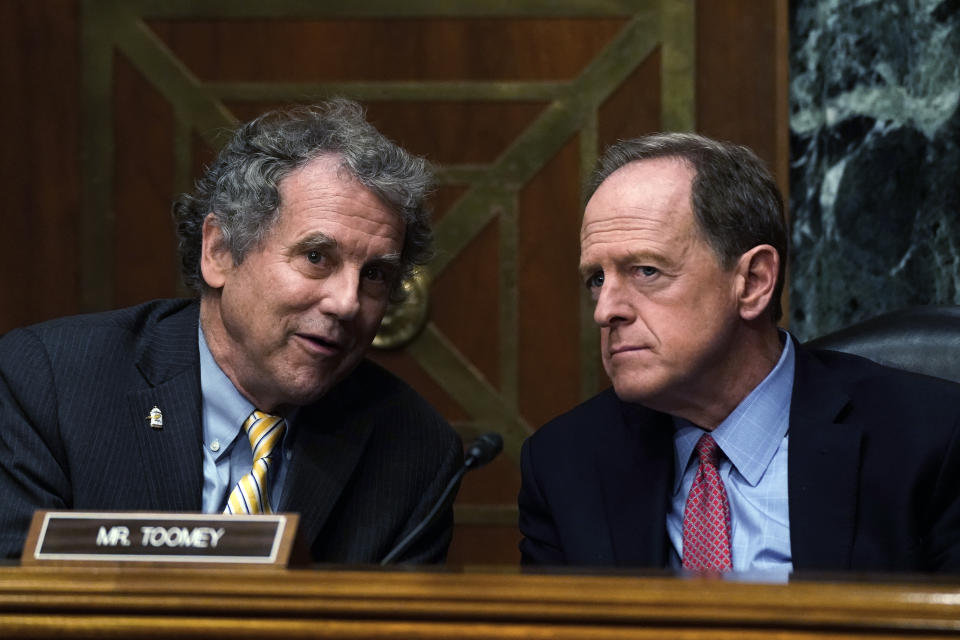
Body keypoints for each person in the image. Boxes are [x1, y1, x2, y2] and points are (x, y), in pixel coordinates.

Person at [0, 99, 462, 563]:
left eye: (376, 275)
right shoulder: (50, 383)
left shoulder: (413, 449)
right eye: (317, 257)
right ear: (220, 251)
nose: (346, 302)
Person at [518, 133, 960, 574]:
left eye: (646, 270)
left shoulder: (930, 441)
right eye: (597, 278)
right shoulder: (565, 463)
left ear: (753, 282)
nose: (606, 309)